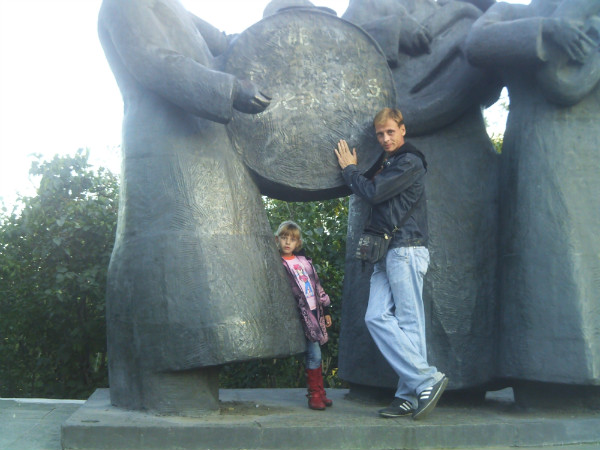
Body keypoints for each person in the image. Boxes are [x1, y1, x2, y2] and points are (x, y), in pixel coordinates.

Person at [334, 107, 447, 420]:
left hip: (406, 249)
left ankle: (411, 393)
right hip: (385, 250)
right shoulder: (390, 162)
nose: (385, 138)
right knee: (376, 317)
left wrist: (350, 170)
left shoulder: (409, 161)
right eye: (380, 134)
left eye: (390, 132)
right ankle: (421, 383)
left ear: (402, 130)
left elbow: (374, 192)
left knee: (410, 323)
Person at [276, 220, 333, 410]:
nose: (287, 242)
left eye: (292, 239)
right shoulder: (278, 264)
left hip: (314, 310)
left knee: (316, 352)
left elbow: (317, 286)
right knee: (314, 353)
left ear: (297, 243)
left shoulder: (304, 262)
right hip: (299, 314)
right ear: (277, 239)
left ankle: (319, 392)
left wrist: (326, 310)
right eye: (284, 237)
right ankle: (314, 394)